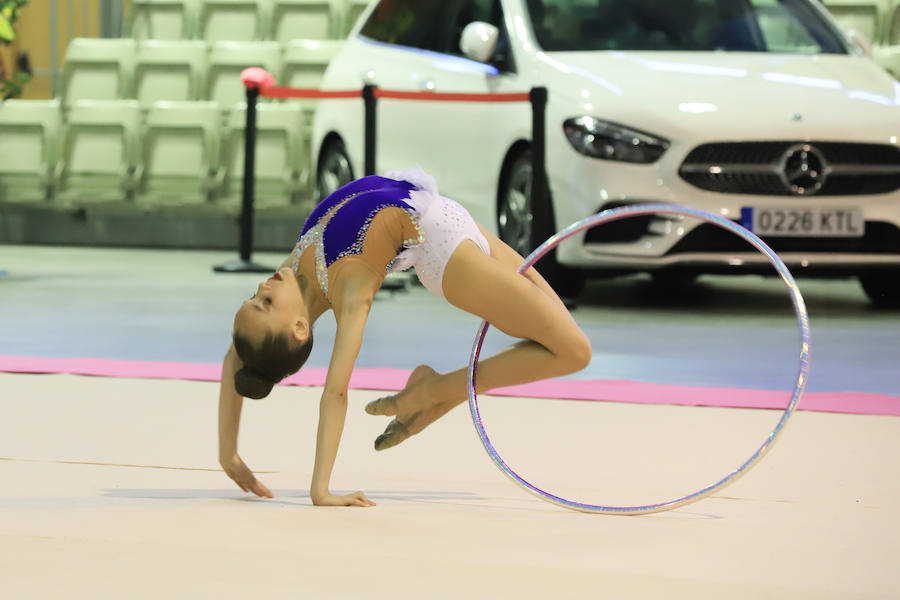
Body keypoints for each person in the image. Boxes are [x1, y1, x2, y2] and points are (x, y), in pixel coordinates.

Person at [218, 169, 591, 507]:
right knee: (574, 352)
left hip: (449, 214)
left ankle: (436, 392)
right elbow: (335, 393)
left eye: (253, 297)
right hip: (449, 258)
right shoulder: (351, 288)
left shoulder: (293, 270)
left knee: (567, 337)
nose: (263, 286)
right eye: (264, 303)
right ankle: (434, 391)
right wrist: (321, 490)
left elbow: (237, 357)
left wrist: (228, 454)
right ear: (299, 329)